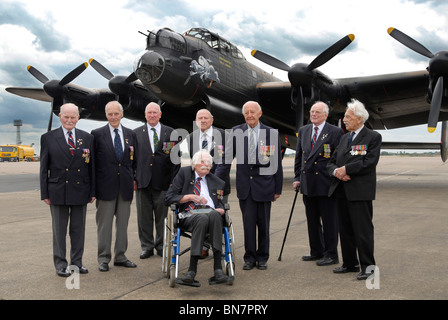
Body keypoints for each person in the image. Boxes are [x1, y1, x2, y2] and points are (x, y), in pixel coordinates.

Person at [215, 101, 283, 270]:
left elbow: (276, 164)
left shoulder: (271, 133)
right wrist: (213, 180)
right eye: (246, 113)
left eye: (253, 112)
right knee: (248, 224)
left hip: (265, 186)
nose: (250, 115)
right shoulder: (236, 131)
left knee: (264, 224)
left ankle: (262, 258)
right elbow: (226, 160)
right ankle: (249, 258)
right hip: (245, 187)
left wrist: (278, 188)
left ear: (260, 114)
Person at [327, 99, 382, 280]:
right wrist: (337, 171)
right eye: (344, 116)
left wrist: (346, 170)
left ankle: (369, 267)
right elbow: (331, 162)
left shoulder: (372, 137)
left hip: (359, 192)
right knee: (345, 230)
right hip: (341, 190)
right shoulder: (344, 138)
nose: (344, 119)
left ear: (360, 118)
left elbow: (369, 162)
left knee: (363, 231)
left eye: (348, 116)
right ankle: (350, 263)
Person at [40, 103, 95, 277]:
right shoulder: (48, 138)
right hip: (57, 190)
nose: (69, 120)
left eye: (73, 117)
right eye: (66, 117)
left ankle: (77, 263)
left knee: (78, 231)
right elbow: (43, 168)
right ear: (60, 116)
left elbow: (91, 167)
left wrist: (92, 191)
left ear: (78, 117)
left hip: (80, 190)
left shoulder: (87, 138)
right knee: (59, 231)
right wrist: (44, 193)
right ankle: (60, 264)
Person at [164, 150, 228, 286]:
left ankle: (218, 269)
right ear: (194, 164)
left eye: (209, 163)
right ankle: (191, 270)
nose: (207, 165)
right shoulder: (184, 173)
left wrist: (221, 209)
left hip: (211, 213)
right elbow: (168, 198)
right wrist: (190, 197)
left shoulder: (217, 181)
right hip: (189, 213)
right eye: (203, 162)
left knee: (215, 214)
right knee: (202, 218)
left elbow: (221, 202)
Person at [293, 102, 343, 266]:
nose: (313, 114)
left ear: (325, 115)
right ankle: (316, 251)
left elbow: (338, 157)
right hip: (308, 183)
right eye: (312, 112)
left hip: (326, 183)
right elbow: (299, 157)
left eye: (317, 112)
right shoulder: (304, 130)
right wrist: (297, 178)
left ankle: (331, 254)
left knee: (329, 222)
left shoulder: (335, 132)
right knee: (312, 220)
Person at [91, 101, 137, 272]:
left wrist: (134, 179)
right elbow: (93, 164)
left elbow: (134, 161)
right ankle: (103, 258)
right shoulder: (96, 134)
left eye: (116, 113)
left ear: (122, 114)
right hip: (105, 187)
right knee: (104, 225)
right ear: (106, 115)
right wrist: (93, 189)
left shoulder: (130, 134)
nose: (113, 117)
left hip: (125, 187)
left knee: (123, 224)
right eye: (110, 114)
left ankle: (120, 256)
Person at [134, 102, 181, 259]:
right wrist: (134, 178)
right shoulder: (136, 134)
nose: (152, 115)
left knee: (162, 217)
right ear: (145, 115)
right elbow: (132, 160)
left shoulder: (171, 133)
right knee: (144, 218)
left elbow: (175, 160)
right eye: (149, 113)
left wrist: (173, 181)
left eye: (155, 112)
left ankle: (161, 245)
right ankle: (147, 246)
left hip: (163, 183)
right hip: (142, 182)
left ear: (160, 114)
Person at [186, 109, 230, 258]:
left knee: (218, 216)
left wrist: (211, 180)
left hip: (218, 185)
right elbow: (192, 162)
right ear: (196, 121)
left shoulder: (224, 135)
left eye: (206, 118)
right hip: (198, 186)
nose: (203, 120)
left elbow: (225, 161)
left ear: (211, 120)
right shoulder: (191, 137)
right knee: (202, 213)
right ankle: (203, 246)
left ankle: (220, 246)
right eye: (200, 118)